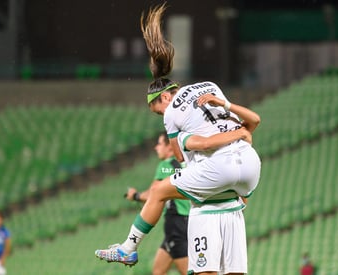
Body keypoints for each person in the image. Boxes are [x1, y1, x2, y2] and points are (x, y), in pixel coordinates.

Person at [95, 4, 261, 275]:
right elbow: (245, 120)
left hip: (218, 171)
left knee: (160, 189)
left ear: (164, 98)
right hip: (250, 167)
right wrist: (242, 133)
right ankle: (235, 196)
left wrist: (182, 143)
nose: (160, 114)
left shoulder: (173, 117)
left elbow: (182, 156)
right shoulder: (210, 87)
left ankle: (128, 247)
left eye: (156, 109)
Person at [125, 132, 190, 275]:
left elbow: (152, 194)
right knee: (158, 272)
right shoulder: (185, 163)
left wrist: (135, 195)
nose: (155, 147)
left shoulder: (165, 165)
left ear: (170, 148)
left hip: (176, 223)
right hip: (185, 222)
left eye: (159, 144)